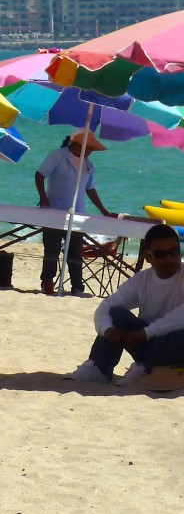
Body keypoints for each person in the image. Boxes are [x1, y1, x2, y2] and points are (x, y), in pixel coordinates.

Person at [66, 224, 184, 385]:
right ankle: (100, 368)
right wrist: (108, 330)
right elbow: (105, 308)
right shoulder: (142, 280)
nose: (169, 259)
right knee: (115, 314)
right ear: (148, 257)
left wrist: (146, 333)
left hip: (174, 343)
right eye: (161, 254)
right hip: (149, 341)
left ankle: (146, 366)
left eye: (174, 252)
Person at [35, 129, 113, 295]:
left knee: (75, 252)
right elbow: (40, 175)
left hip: (77, 213)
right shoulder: (58, 156)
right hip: (54, 210)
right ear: (79, 145)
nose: (90, 152)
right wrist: (43, 197)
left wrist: (103, 210)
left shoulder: (88, 165)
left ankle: (77, 287)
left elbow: (90, 189)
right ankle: (47, 283)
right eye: (89, 148)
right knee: (52, 250)